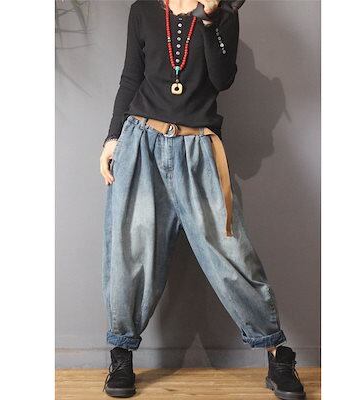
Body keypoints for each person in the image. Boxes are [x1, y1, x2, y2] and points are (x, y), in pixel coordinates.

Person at [99, 1, 306, 399]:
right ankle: (121, 354)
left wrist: (210, 20)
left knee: (231, 252)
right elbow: (131, 77)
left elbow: (222, 78)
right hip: (141, 142)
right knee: (131, 252)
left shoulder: (223, 12)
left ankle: (277, 354)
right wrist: (112, 138)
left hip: (199, 148)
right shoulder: (143, 10)